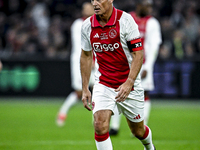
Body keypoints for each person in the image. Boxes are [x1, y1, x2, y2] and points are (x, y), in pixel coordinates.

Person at [80, 0, 155, 149]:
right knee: (100, 125)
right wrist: (85, 88)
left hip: (128, 84)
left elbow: (138, 54)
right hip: (103, 83)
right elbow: (86, 56)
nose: (95, 3)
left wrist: (130, 82)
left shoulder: (126, 20)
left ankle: (149, 147)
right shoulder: (87, 25)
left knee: (138, 131)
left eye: (99, 0)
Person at [109, 0, 162, 136]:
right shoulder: (126, 18)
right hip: (124, 63)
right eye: (147, 5)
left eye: (151, 5)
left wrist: (148, 67)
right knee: (118, 91)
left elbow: (154, 47)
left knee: (144, 93)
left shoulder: (153, 23)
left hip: (143, 63)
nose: (150, 8)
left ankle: (142, 126)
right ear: (139, 5)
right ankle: (114, 127)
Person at [56, 2, 95, 127]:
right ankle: (63, 112)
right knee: (79, 91)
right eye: (86, 8)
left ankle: (96, 119)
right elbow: (80, 46)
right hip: (81, 61)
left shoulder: (97, 23)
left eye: (90, 7)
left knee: (99, 89)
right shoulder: (78, 24)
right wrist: (89, 60)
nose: (88, 10)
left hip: (96, 60)